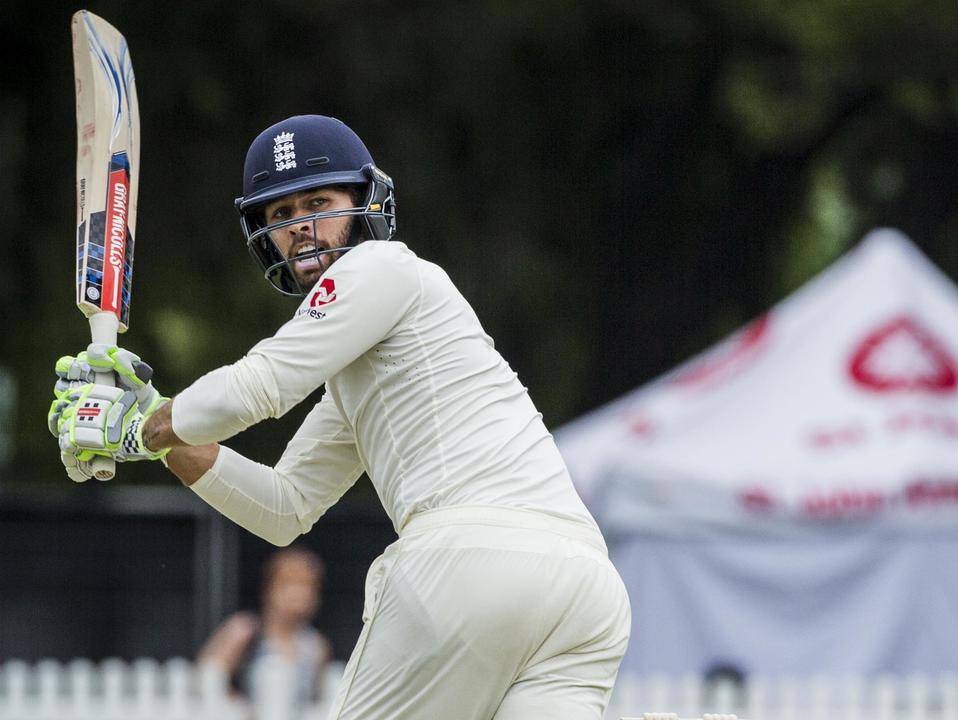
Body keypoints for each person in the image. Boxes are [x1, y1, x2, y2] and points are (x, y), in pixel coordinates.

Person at [48, 114, 631, 720]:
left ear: (364, 202)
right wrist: (160, 433)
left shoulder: (382, 267)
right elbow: (285, 505)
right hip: (585, 588)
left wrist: (136, 431)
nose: (301, 229)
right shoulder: (374, 366)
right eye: (279, 215)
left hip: (469, 562)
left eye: (318, 202)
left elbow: (261, 386)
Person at [199, 547, 332, 714]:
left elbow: (318, 700)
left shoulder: (316, 646)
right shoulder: (244, 631)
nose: (300, 594)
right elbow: (207, 679)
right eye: (290, 583)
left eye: (309, 586)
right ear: (269, 588)